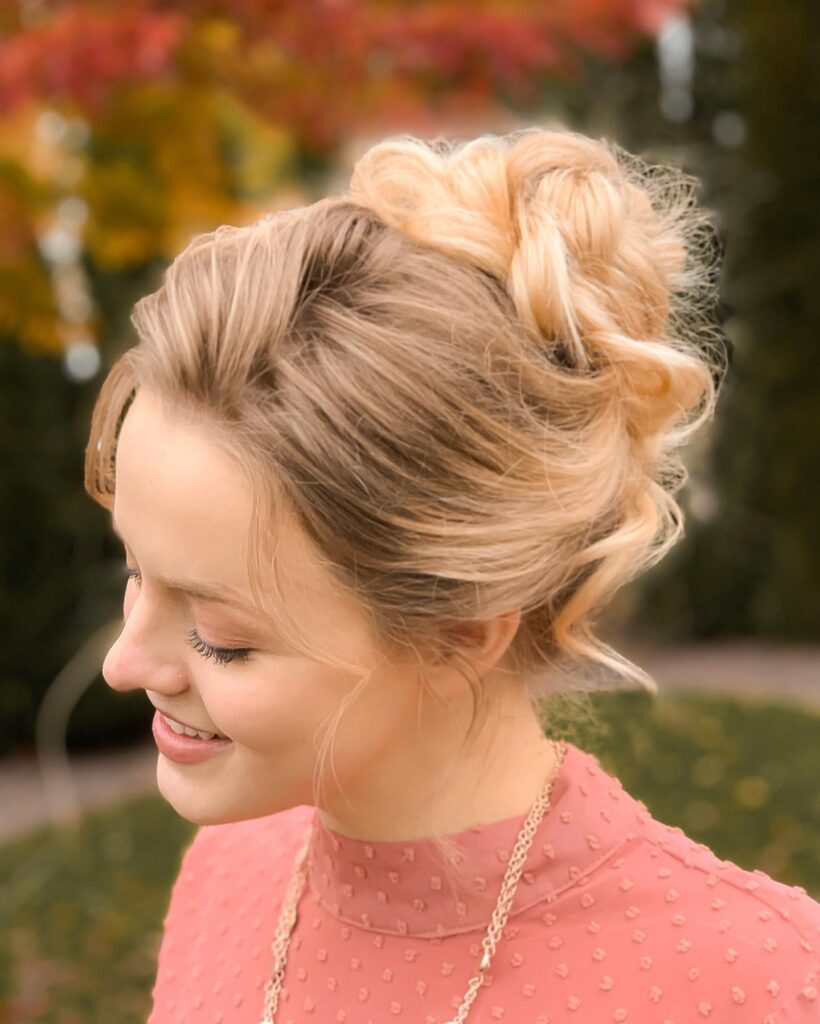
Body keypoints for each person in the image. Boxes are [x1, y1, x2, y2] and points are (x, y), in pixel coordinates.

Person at [84, 126, 820, 1023]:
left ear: (463, 631)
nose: (124, 664)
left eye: (222, 638)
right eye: (135, 572)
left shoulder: (759, 984)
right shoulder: (229, 872)